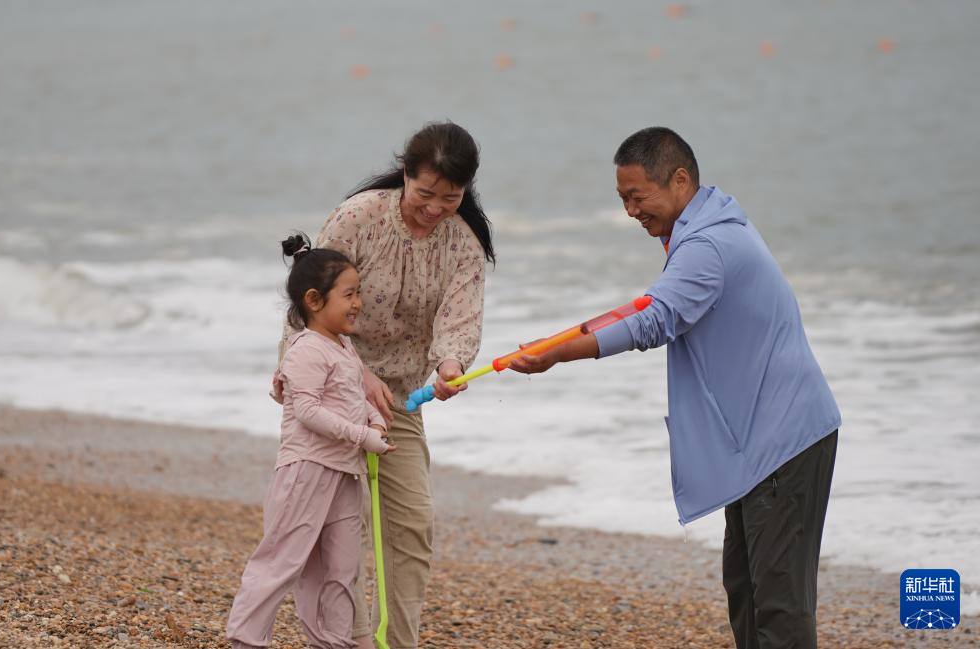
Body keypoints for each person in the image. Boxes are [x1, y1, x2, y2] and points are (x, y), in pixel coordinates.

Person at [509, 127, 841, 649]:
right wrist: (567, 340)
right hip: (758, 442)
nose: (630, 211)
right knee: (746, 588)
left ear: (680, 180)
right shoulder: (708, 224)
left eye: (636, 196)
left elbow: (654, 319)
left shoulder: (708, 242)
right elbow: (651, 308)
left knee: (778, 601)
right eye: (622, 199)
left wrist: (557, 352)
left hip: (783, 439)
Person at [273, 121, 493, 649]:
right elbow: (311, 305)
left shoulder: (462, 245)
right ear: (405, 177)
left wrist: (449, 365)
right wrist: (356, 373)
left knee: (412, 526)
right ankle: (340, 641)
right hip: (327, 389)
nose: (436, 207)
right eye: (425, 194)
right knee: (337, 532)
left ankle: (398, 643)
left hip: (397, 403)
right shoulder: (359, 217)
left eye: (451, 197)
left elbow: (458, 324)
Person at [228, 233, 396, 649]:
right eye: (350, 294)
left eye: (359, 293)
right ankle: (245, 640)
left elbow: (357, 397)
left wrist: (375, 424)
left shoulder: (345, 348)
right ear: (314, 301)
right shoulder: (305, 350)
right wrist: (362, 435)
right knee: (283, 560)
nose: (358, 303)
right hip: (306, 469)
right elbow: (307, 412)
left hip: (345, 473)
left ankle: (332, 641)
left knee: (341, 567)